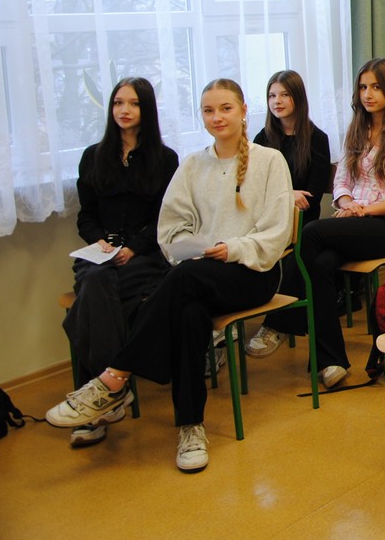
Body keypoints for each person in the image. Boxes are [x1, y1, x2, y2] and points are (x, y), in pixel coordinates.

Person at [46, 78, 294, 473]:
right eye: (209, 110)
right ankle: (191, 427)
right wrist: (192, 248)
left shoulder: (270, 160)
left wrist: (231, 248)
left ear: (244, 111)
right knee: (188, 313)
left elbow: (276, 232)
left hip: (253, 272)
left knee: (184, 280)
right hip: (198, 273)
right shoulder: (193, 165)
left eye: (226, 108)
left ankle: (114, 376)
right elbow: (171, 229)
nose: (217, 117)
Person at [246, 59, 385, 389]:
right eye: (363, 87)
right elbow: (341, 182)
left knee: (311, 233)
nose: (368, 94)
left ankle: (280, 321)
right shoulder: (356, 131)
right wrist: (346, 203)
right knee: (321, 263)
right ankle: (331, 362)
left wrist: (365, 210)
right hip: (353, 219)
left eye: (376, 87)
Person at [62, 77, 179, 448]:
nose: (124, 110)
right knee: (96, 282)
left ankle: (97, 405)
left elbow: (165, 219)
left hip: (145, 256)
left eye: (133, 103)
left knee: (85, 306)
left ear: (147, 109)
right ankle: (111, 392)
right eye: (118, 103)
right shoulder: (93, 156)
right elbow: (86, 216)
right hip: (100, 255)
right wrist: (99, 241)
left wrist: (133, 248)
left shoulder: (165, 159)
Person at [253, 70, 331, 225]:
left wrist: (280, 196)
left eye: (285, 95)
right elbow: (254, 187)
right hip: (266, 217)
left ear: (299, 97)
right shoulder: (262, 138)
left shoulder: (318, 139)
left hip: (300, 220)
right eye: (272, 96)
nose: (277, 101)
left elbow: (311, 198)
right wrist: (288, 195)